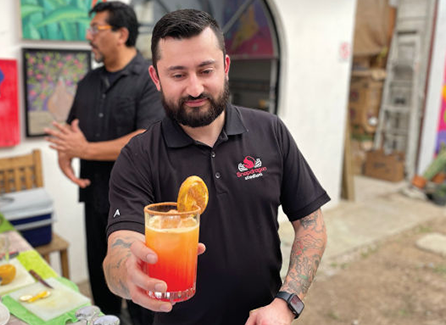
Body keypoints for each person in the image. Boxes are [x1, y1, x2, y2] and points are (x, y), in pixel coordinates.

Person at [102, 8, 330, 325]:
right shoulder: (139, 155)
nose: (195, 89)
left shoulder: (270, 131)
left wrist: (287, 302)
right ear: (156, 77)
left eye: (206, 71)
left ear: (225, 66)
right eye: (178, 75)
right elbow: (119, 250)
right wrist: (126, 272)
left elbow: (311, 224)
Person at [44, 2, 163, 322]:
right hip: (96, 198)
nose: (89, 36)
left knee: (141, 288)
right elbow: (74, 132)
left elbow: (144, 138)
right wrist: (64, 153)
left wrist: (83, 149)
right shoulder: (88, 82)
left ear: (122, 34)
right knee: (103, 282)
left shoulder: (149, 80)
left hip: (140, 204)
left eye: (96, 28)